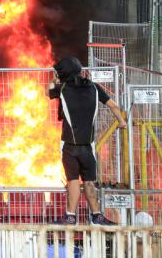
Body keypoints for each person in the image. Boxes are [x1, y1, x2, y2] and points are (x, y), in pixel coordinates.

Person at [48, 56, 127, 226]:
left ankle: (70, 216)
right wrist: (122, 121)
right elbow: (113, 105)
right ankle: (97, 216)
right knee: (89, 181)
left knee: (73, 181)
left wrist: (53, 80)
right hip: (87, 146)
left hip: (69, 146)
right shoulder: (95, 88)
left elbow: (49, 92)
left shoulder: (62, 89)